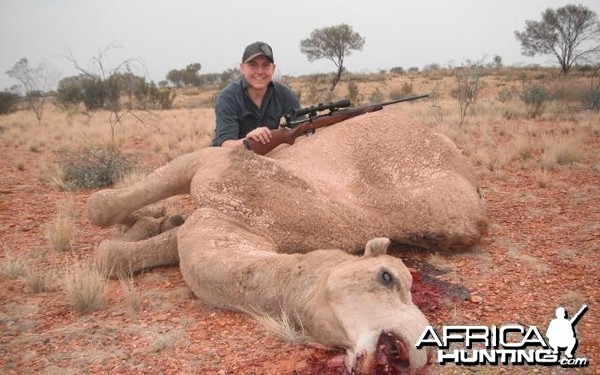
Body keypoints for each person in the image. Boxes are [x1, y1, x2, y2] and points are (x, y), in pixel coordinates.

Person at [211, 41, 301, 149]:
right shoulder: (227, 97)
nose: (259, 71)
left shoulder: (284, 94)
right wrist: (248, 141)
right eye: (252, 65)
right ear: (242, 67)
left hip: (267, 158)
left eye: (266, 65)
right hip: (226, 161)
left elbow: (302, 128)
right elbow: (225, 145)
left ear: (273, 68)